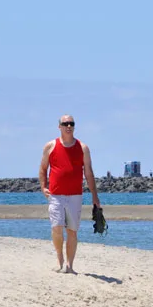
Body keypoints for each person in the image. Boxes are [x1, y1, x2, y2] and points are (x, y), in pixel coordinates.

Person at [39, 115, 101, 274]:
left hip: (75, 195)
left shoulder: (83, 148)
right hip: (56, 195)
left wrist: (95, 196)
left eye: (71, 124)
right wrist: (43, 186)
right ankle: (60, 259)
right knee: (57, 228)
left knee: (72, 231)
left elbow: (88, 173)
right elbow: (43, 168)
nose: (68, 126)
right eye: (65, 124)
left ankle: (70, 266)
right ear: (59, 126)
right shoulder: (50, 146)